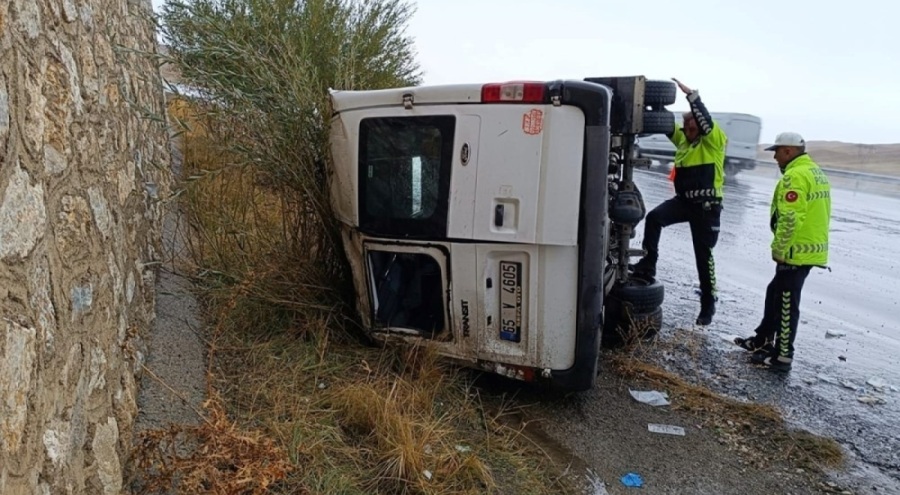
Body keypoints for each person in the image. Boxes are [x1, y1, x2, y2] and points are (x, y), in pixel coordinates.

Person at [631, 78, 727, 326]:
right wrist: (654, 102)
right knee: (654, 218)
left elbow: (705, 121)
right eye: (685, 125)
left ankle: (708, 304)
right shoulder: (683, 141)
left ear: (701, 126)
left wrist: (692, 97)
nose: (686, 129)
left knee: (703, 256)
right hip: (684, 202)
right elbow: (665, 124)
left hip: (707, 207)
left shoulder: (713, 141)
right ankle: (648, 265)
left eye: (691, 125)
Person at [733, 132, 831, 371]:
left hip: (795, 251)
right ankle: (762, 340)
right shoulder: (814, 171)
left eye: (777, 151)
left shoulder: (795, 176)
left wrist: (779, 248)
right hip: (810, 247)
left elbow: (790, 217)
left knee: (786, 302)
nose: (775, 157)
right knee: (775, 291)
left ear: (788, 151)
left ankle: (783, 356)